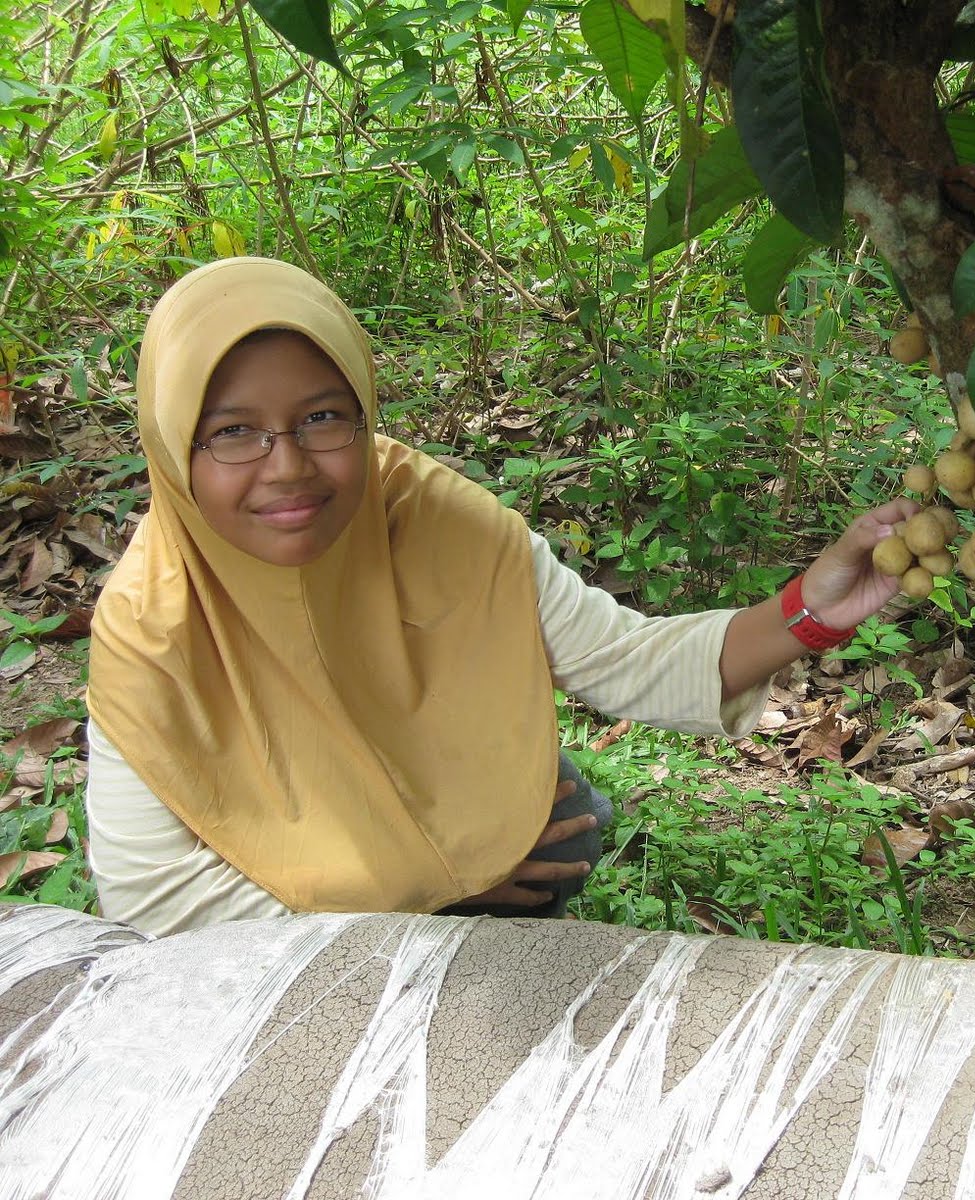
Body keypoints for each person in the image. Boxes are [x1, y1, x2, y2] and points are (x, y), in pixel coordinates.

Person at [85, 257, 916, 937]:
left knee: (570, 817)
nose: (289, 466)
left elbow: (621, 657)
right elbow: (156, 902)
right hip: (282, 903)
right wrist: (433, 898)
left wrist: (810, 609)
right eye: (233, 431)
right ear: (173, 444)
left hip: (390, 819)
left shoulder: (427, 514)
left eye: (324, 418)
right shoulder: (150, 625)